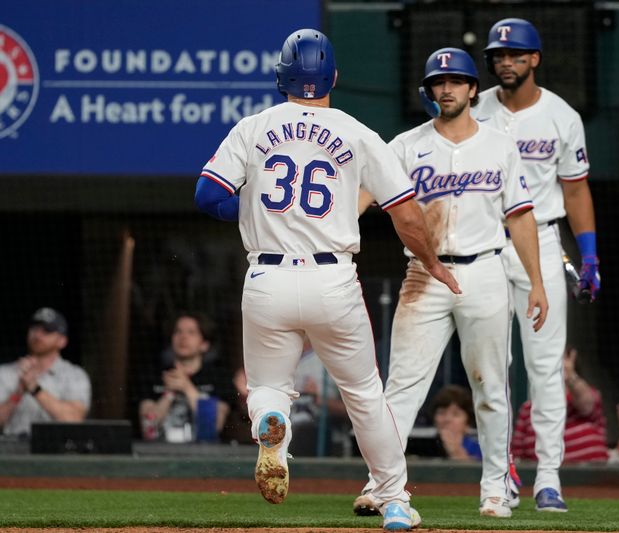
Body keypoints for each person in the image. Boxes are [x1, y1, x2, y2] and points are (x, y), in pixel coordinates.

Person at [194, 28, 460, 532]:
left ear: (282, 78)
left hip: (267, 276)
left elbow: (208, 195)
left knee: (269, 385)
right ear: (333, 76)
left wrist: (248, 211)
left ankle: (272, 430)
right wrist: (432, 262)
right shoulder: (357, 132)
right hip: (332, 279)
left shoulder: (254, 127)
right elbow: (405, 214)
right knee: (363, 392)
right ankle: (394, 500)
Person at [355, 47, 548, 519]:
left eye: (456, 81)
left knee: (490, 386)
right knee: (401, 386)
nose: (446, 88)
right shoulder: (403, 145)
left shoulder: (500, 145)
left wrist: (537, 283)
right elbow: (359, 199)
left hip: (484, 269)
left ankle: (496, 488)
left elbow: (521, 218)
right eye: (439, 82)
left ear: (472, 88)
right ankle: (382, 485)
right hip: (424, 271)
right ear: (429, 90)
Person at [472, 17, 601, 512]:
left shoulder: (562, 115)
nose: (506, 61)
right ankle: (499, 473)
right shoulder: (476, 107)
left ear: (535, 59)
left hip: (543, 241)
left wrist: (588, 254)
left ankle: (549, 476)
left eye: (515, 54)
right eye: (499, 55)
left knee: (545, 366)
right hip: (485, 241)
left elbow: (576, 189)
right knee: (490, 365)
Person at [138, 312, 234, 443]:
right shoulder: (154, 375)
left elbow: (213, 426)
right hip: (160, 455)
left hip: (204, 458)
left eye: (191, 332)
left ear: (204, 344)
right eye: (178, 331)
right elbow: (148, 429)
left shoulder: (218, 377)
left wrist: (186, 387)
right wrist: (169, 393)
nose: (183, 337)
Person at [0, 308, 91, 437]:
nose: (38, 335)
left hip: (55, 452)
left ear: (62, 341)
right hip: (13, 449)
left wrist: (34, 388)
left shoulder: (75, 375)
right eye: (34, 328)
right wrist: (18, 392)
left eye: (47, 330)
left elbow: (73, 419)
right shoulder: (6, 372)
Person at [512, 347, 608, 464]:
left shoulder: (589, 396)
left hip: (593, 480)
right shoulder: (527, 410)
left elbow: (586, 404)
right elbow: (517, 460)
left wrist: (570, 376)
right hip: (545, 480)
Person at [430, 385, 481, 461]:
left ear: (468, 423)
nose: (447, 419)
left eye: (455, 414)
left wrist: (456, 452)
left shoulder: (481, 450)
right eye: (442, 413)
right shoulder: (422, 448)